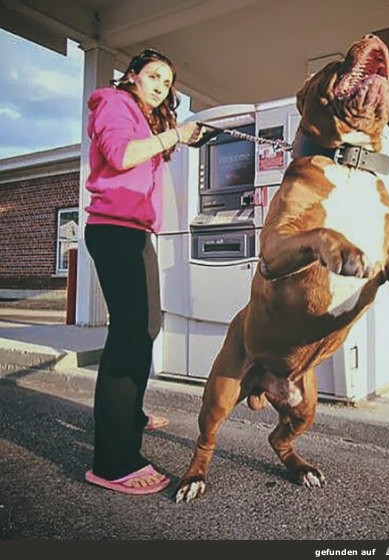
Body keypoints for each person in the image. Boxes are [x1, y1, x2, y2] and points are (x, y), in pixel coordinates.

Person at [83, 48, 205, 495]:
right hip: (113, 232)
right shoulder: (114, 104)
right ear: (131, 76)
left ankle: (128, 413)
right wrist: (173, 136)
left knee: (146, 328)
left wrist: (175, 136)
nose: (160, 85)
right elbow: (118, 155)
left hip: (135, 233)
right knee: (131, 334)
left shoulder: (144, 117)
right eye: (154, 75)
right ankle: (113, 462)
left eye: (167, 82)